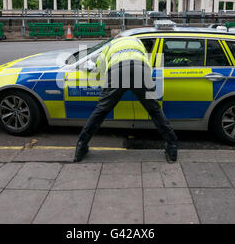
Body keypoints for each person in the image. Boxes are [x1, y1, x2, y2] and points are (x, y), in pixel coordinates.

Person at [74, 35, 178, 163]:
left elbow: (99, 68)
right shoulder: (137, 41)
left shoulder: (110, 45)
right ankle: (172, 146)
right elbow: (146, 60)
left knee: (101, 111)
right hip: (141, 69)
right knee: (154, 109)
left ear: (116, 39)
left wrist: (91, 65)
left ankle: (81, 146)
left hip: (118, 70)